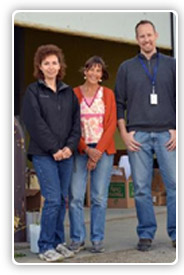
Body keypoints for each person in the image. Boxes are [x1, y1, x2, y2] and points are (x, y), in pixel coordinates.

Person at [115, 20, 176, 251]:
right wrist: (124, 133)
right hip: (137, 135)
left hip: (166, 134)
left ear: (156, 36)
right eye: (142, 36)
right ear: (136, 39)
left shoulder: (172, 65)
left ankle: (177, 233)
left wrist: (178, 129)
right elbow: (119, 103)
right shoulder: (126, 68)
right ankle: (146, 234)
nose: (146, 39)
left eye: (149, 35)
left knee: (174, 187)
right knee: (141, 188)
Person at [22, 44, 81, 262]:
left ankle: (58, 242)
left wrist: (68, 148)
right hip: (44, 154)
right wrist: (54, 149)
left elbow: (77, 124)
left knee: (63, 199)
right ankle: (45, 245)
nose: (51, 67)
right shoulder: (33, 92)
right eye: (46, 63)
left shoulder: (68, 92)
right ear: (40, 66)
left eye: (54, 62)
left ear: (60, 65)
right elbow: (35, 124)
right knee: (54, 199)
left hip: (66, 154)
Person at [68, 56, 117, 253]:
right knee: (76, 197)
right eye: (91, 69)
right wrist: (86, 150)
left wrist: (96, 153)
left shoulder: (108, 94)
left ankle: (97, 239)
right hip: (80, 150)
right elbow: (70, 126)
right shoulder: (74, 94)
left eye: (99, 71)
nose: (95, 74)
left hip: (103, 150)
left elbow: (111, 123)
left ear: (102, 75)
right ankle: (77, 239)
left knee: (98, 197)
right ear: (85, 71)